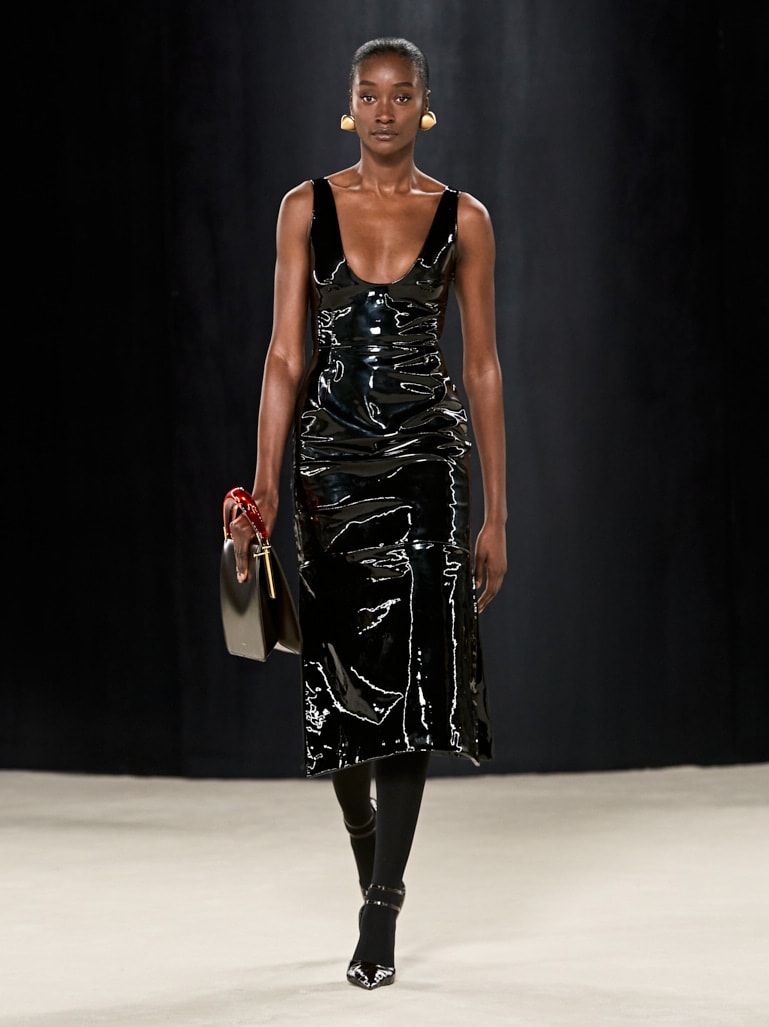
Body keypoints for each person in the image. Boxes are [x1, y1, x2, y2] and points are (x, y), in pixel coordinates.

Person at [227, 36, 507, 990]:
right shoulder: (303, 208)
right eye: (369, 94)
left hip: (426, 465)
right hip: (330, 471)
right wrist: (265, 485)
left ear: (424, 104)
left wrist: (496, 511)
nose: (384, 109)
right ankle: (364, 846)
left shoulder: (463, 217)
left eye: (401, 94)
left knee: (418, 682)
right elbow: (283, 354)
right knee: (339, 677)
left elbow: (481, 367)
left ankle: (381, 905)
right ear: (349, 105)